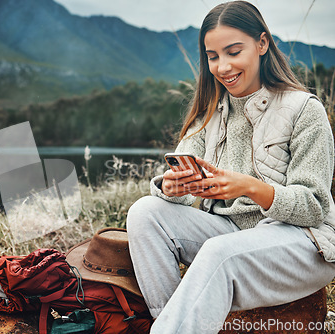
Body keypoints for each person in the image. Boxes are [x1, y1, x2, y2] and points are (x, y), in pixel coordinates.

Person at [126, 1, 335, 333]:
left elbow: (314, 207)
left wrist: (250, 188)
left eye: (233, 51)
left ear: (262, 44)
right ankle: (170, 323)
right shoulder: (208, 113)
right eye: (213, 56)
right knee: (144, 212)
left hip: (304, 244)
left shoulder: (304, 109)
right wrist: (172, 186)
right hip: (233, 234)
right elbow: (176, 195)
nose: (222, 66)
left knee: (218, 252)